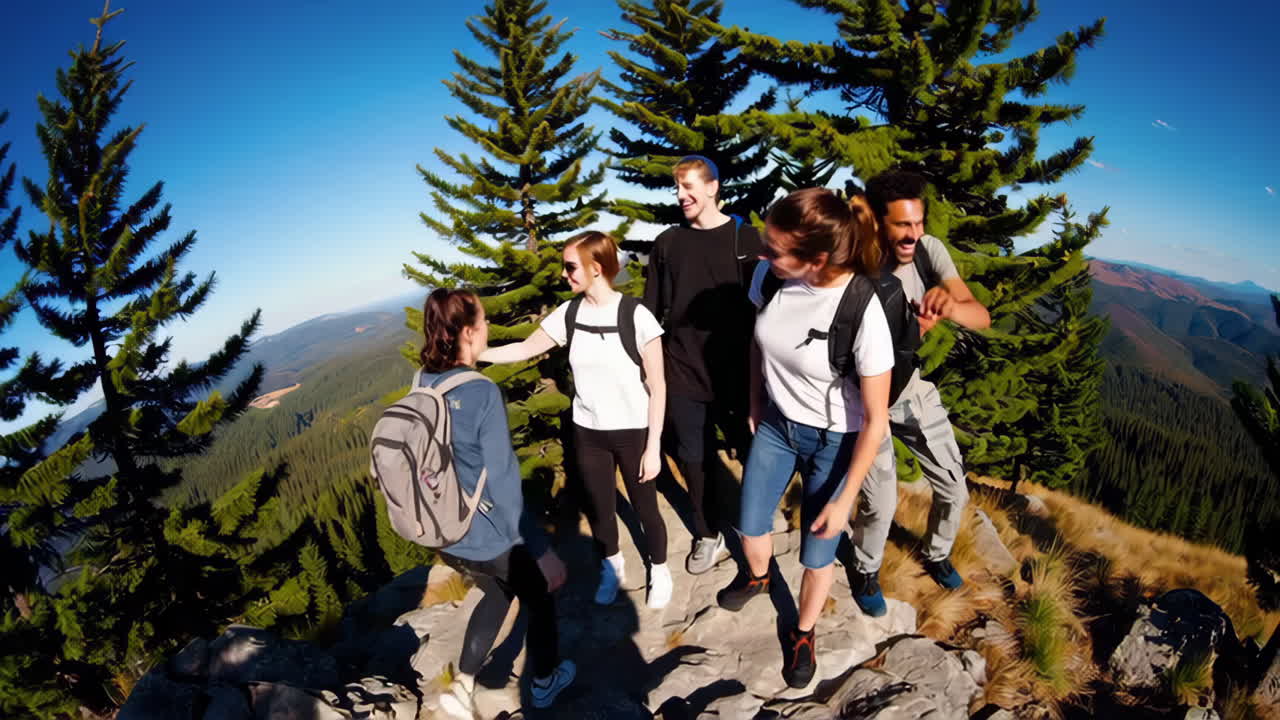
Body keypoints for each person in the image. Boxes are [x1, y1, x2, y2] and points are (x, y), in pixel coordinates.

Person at [716, 188, 893, 689]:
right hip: (777, 423)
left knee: (818, 552)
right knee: (751, 524)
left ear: (815, 260)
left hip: (836, 442)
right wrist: (754, 400)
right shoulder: (769, 278)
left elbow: (876, 420)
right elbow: (760, 341)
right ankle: (757, 576)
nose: (762, 255)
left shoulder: (862, 311)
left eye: (774, 249)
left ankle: (804, 631)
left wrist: (846, 498)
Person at [479, 231, 672, 609]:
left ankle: (660, 569)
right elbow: (526, 347)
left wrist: (654, 446)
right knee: (601, 507)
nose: (565, 275)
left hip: (634, 431)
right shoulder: (569, 314)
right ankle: (612, 568)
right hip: (588, 432)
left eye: (571, 267)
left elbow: (659, 385)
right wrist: (478, 353)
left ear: (596, 268)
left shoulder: (636, 315)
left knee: (645, 507)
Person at [417, 288, 576, 718]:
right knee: (539, 594)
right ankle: (544, 682)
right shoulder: (481, 391)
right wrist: (541, 553)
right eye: (483, 322)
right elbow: (505, 483)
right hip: (487, 533)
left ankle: (465, 685)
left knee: (498, 591)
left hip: (447, 531)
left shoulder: (423, 382)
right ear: (468, 332)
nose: (488, 328)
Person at [847, 170, 991, 617]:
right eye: (903, 226)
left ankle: (937, 552)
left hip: (908, 386)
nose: (914, 235)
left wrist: (952, 306)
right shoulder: (853, 257)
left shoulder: (929, 252)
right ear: (877, 221)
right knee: (882, 500)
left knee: (954, 486)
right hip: (860, 397)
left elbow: (980, 315)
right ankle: (866, 567)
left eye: (919, 223)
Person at [642, 154, 762, 574]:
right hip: (683, 369)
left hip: (737, 373)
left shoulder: (747, 241)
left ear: (713, 187)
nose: (681, 196)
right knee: (694, 457)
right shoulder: (669, 243)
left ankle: (755, 529)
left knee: (753, 454)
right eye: (677, 188)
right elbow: (649, 311)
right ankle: (708, 533)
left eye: (689, 187)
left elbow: (771, 307)